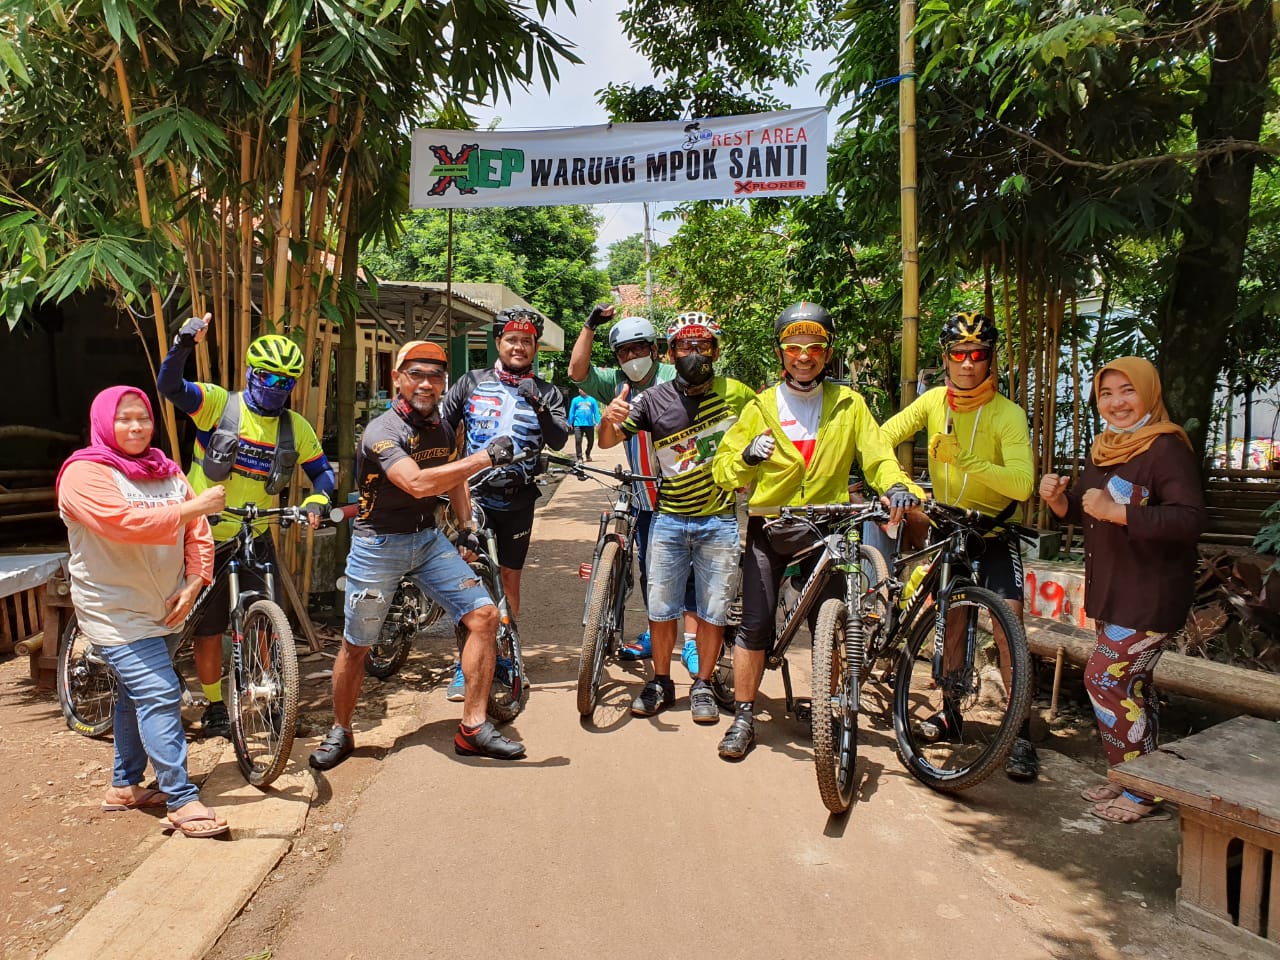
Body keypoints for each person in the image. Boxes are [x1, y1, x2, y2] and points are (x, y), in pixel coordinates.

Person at [712, 303, 924, 759]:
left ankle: (828, 706)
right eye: (794, 347)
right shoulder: (760, 406)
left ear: (828, 354)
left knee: (829, 618)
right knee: (756, 623)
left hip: (828, 526)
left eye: (814, 348)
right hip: (773, 524)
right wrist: (747, 456)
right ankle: (745, 715)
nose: (803, 356)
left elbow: (878, 455)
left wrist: (894, 485)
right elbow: (724, 470)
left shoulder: (850, 404)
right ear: (781, 353)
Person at [309, 341, 525, 769]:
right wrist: (485, 458)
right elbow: (420, 484)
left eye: (435, 376)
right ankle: (342, 730)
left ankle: (473, 727)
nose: (427, 384)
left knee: (483, 617)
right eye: (417, 374)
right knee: (357, 646)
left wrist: (466, 528)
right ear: (398, 378)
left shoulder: (442, 428)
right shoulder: (382, 432)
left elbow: (454, 476)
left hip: (427, 541)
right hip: (377, 547)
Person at [57, 387, 229, 837]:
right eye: (124, 419)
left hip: (167, 606)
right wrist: (196, 504)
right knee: (159, 692)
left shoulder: (166, 470)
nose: (135, 428)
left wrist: (194, 583)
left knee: (136, 697)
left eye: (143, 419)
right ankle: (182, 798)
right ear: (102, 423)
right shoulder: (84, 473)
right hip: (114, 611)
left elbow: (198, 533)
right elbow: (125, 524)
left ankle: (124, 786)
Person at [1039, 357, 1206, 823]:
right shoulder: (1108, 448)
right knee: (1134, 687)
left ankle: (1138, 793)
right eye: (1107, 393)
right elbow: (1091, 509)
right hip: (1115, 591)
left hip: (1149, 597)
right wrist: (1060, 502)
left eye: (1127, 391)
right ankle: (1134, 779)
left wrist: (1119, 514)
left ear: (1149, 392)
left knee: (1105, 679)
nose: (1117, 403)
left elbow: (1190, 520)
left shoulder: (1167, 450)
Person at [157, 314, 336, 738]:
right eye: (268, 378)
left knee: (264, 623)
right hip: (203, 534)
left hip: (253, 534)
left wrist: (315, 499)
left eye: (286, 382)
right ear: (252, 374)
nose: (276, 389)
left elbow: (323, 474)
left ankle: (269, 694)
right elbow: (169, 387)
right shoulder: (221, 405)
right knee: (210, 628)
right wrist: (184, 343)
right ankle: (216, 706)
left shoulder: (296, 427)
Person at [879, 311, 1038, 781]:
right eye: (959, 355)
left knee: (1010, 624)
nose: (968, 364)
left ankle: (1022, 735)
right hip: (947, 525)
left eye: (978, 355)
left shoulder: (1008, 414)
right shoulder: (932, 402)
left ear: (991, 360)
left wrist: (967, 461)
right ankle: (950, 713)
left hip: (992, 531)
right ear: (945, 359)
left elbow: (1023, 484)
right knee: (950, 619)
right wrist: (902, 483)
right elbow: (881, 438)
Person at [598, 312, 755, 724]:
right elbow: (608, 439)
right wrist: (608, 417)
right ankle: (661, 681)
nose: (694, 353)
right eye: (685, 345)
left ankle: (702, 683)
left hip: (719, 520)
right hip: (668, 518)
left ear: (716, 351)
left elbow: (767, 435)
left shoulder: (739, 395)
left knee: (713, 608)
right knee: (662, 607)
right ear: (671, 353)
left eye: (703, 345)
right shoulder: (652, 399)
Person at [439, 307, 569, 699]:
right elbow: (442, 426)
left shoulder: (547, 391)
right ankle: (468, 663)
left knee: (509, 578)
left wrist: (540, 405)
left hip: (519, 498)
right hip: (474, 496)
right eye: (511, 339)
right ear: (498, 342)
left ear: (535, 347)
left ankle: (506, 655)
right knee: (471, 575)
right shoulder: (471, 382)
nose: (518, 346)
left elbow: (560, 439)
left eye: (526, 341)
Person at [568, 305, 698, 662]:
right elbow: (577, 372)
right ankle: (657, 633)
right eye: (624, 351)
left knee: (688, 571)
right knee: (650, 572)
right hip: (645, 493)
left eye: (639, 348)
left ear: (655, 350)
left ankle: (691, 640)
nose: (632, 356)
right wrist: (590, 324)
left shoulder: (675, 373)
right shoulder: (617, 383)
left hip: (687, 492)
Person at [568, 388, 601, 461]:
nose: (581, 390)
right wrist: (570, 422)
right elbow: (572, 412)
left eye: (583, 389)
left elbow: (596, 413)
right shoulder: (575, 400)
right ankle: (579, 457)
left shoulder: (592, 400)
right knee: (578, 440)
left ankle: (587, 453)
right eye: (580, 389)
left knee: (591, 441)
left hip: (589, 424)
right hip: (578, 424)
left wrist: (598, 423)